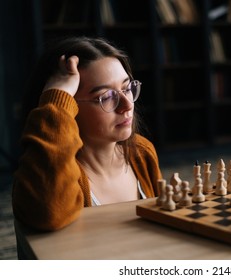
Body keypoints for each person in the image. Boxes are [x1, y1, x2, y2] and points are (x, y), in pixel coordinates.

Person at [12, 36, 162, 231]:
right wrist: (57, 97)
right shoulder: (46, 173)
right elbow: (48, 214)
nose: (127, 106)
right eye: (106, 97)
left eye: (126, 88)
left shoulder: (141, 152)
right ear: (68, 106)